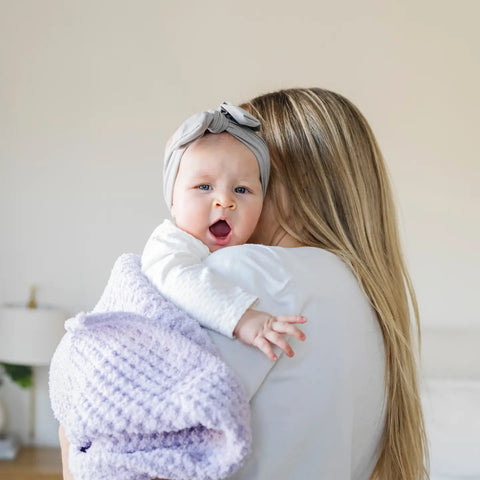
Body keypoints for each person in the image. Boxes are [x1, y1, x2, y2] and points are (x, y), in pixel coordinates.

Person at [60, 88, 428, 480]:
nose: (225, 200)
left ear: (291, 180)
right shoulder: (362, 296)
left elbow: (133, 443)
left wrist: (71, 424)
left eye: (246, 177)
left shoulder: (255, 273)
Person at [141, 102, 306, 362]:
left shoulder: (253, 257)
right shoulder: (170, 244)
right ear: (173, 201)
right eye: (204, 186)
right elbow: (179, 279)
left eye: (241, 190)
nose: (225, 201)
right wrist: (241, 318)